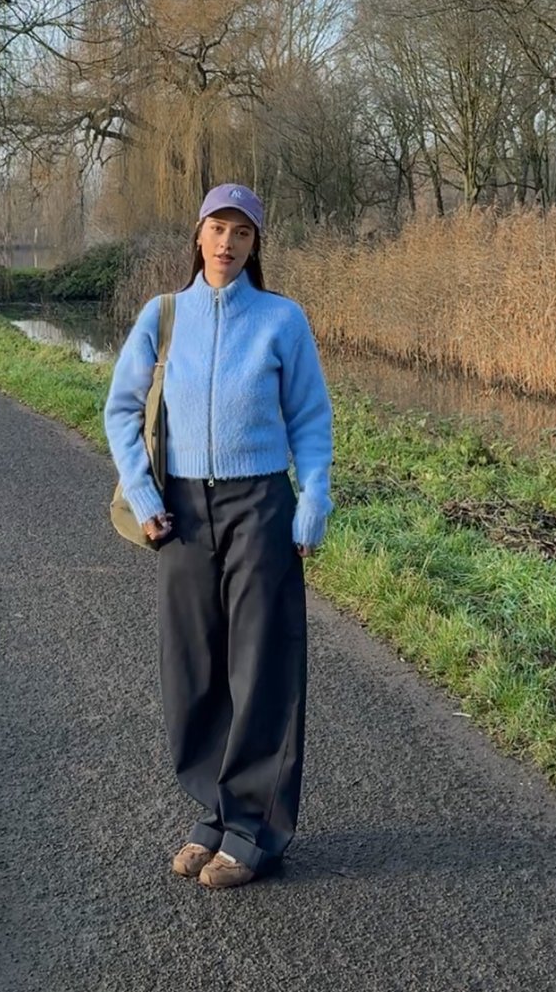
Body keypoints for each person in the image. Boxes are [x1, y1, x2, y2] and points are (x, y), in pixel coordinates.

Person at [104, 183, 333, 889]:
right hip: (181, 511)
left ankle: (255, 829)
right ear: (197, 236)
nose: (228, 243)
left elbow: (311, 420)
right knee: (193, 666)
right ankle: (215, 808)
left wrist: (312, 500)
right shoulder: (163, 316)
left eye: (242, 231)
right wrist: (144, 496)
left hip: (260, 503)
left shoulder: (282, 320)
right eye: (217, 228)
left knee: (261, 664)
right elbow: (119, 409)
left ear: (255, 243)